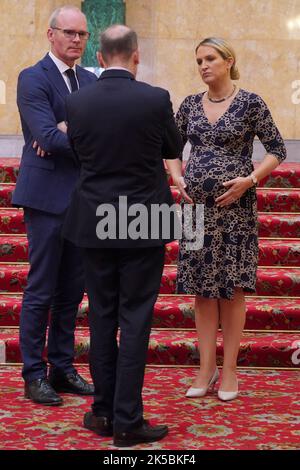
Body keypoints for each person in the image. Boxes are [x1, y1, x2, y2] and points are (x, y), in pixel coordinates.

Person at [62, 25, 182, 446]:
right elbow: (172, 147)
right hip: (143, 221)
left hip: (94, 220)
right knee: (135, 320)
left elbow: (78, 153)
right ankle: (128, 421)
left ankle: (102, 413)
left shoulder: (76, 102)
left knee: (100, 317)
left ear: (99, 53)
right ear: (136, 55)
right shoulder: (155, 98)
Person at [166, 37, 286, 401]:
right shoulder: (189, 104)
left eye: (210, 58)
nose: (203, 65)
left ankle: (230, 368)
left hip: (235, 209)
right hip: (195, 211)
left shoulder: (250, 102)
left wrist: (250, 179)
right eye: (199, 59)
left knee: (232, 289)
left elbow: (276, 150)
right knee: (202, 291)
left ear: (228, 60)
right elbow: (170, 148)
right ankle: (206, 368)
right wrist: (177, 176)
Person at [12, 5, 97, 406]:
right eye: (69, 33)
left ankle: (61, 368)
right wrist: (66, 134)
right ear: (50, 35)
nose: (76, 40)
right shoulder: (33, 78)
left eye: (82, 34)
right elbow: (47, 134)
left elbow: (73, 138)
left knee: (71, 291)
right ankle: (33, 373)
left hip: (83, 199)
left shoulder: (88, 81)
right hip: (46, 199)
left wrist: (68, 132)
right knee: (42, 288)